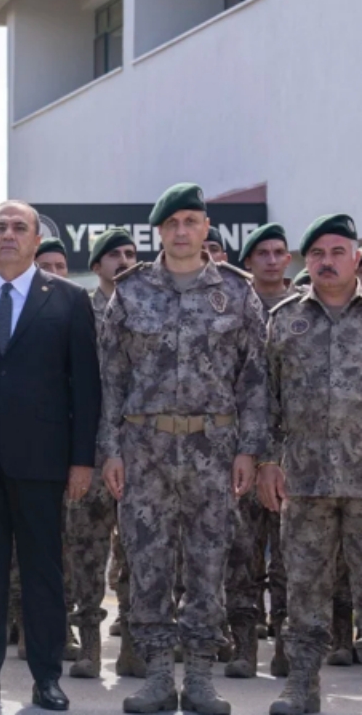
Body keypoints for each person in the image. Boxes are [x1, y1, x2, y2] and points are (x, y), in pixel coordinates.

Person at [101, 183, 268, 715]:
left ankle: (198, 675)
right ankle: (154, 675)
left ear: (205, 228)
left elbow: (255, 381)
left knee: (209, 560)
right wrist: (110, 449)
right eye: (172, 223)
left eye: (191, 221)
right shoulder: (128, 292)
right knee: (146, 560)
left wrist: (250, 450)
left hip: (213, 449)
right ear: (159, 231)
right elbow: (110, 378)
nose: (181, 231)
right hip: (144, 447)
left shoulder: (238, 293)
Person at [0, 200, 99, 711]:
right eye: (0, 227)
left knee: (43, 572)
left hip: (43, 459)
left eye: (19, 228)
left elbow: (86, 386)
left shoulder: (71, 300)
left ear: (36, 241)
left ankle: (47, 677)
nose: (8, 235)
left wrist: (81, 460)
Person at [259, 213, 362, 715]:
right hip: (306, 481)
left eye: (337, 251)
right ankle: (302, 686)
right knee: (304, 589)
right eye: (317, 254)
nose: (326, 262)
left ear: (357, 257)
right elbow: (266, 401)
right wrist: (266, 462)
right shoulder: (285, 319)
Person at [65, 227, 141, 680]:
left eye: (131, 253)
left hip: (140, 452)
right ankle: (90, 647)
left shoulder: (149, 308)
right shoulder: (78, 314)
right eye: (114, 255)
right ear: (96, 267)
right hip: (89, 453)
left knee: (138, 551)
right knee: (86, 552)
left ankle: (133, 643)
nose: (125, 260)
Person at [224, 223, 295, 680]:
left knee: (291, 555)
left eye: (278, 252)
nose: (271, 260)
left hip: (294, 454)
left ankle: (287, 643)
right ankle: (245, 647)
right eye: (262, 253)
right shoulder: (233, 306)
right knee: (242, 552)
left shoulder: (303, 308)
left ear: (288, 259)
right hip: (241, 450)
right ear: (249, 261)